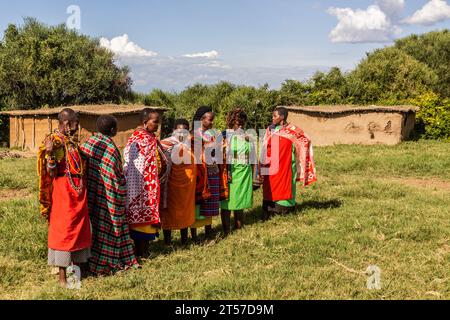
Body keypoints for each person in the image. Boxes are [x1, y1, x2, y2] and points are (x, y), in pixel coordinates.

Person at [38, 108, 92, 287]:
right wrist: (50, 154)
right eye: (76, 122)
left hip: (77, 193)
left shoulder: (69, 142)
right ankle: (62, 278)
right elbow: (51, 172)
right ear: (67, 123)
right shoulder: (54, 142)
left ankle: (76, 269)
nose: (78, 126)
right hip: (63, 194)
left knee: (79, 229)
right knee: (64, 230)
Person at [80, 115, 140, 275]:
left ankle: (88, 260)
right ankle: (105, 261)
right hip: (108, 198)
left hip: (91, 194)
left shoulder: (88, 143)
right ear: (113, 130)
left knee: (93, 228)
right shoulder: (110, 148)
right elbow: (115, 176)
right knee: (108, 228)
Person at [124, 109, 167, 257]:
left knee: (146, 223)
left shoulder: (148, 137)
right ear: (144, 122)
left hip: (148, 185)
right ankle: (141, 252)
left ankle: (144, 251)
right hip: (140, 185)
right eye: (155, 121)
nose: (158, 125)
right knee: (141, 223)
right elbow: (135, 162)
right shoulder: (140, 139)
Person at [261, 107, 317, 219]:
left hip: (286, 168)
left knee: (285, 186)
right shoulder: (270, 130)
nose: (272, 118)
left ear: (282, 117)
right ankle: (269, 209)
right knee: (270, 188)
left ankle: (285, 209)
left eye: (274, 116)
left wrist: (300, 156)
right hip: (270, 168)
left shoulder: (293, 131)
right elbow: (264, 147)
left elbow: (306, 140)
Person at [190, 106, 229, 241]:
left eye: (213, 120)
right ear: (202, 120)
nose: (212, 122)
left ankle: (208, 232)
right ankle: (194, 235)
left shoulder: (215, 134)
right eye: (210, 120)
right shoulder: (193, 135)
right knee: (197, 203)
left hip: (212, 173)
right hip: (199, 174)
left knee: (210, 204)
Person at [160, 119, 197, 245]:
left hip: (186, 188)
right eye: (179, 130)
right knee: (168, 212)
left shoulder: (189, 145)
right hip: (170, 186)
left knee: (184, 212)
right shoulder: (165, 144)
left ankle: (184, 240)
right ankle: (167, 242)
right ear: (173, 131)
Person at [220, 108, 255, 235]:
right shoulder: (224, 135)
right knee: (227, 203)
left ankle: (238, 226)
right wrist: (228, 171)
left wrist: (253, 173)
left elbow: (252, 157)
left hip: (244, 172)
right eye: (237, 122)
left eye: (242, 122)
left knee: (240, 199)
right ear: (231, 121)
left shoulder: (247, 137)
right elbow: (221, 155)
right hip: (229, 172)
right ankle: (226, 230)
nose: (240, 125)